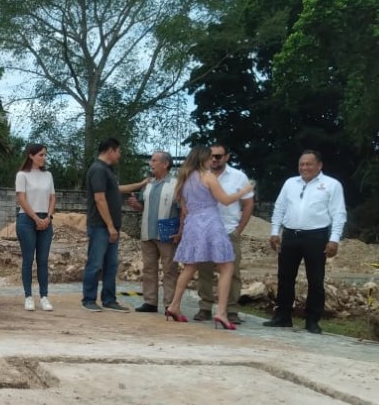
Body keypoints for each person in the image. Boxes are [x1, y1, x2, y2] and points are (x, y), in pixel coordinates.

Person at [164, 146, 254, 330]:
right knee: (227, 266)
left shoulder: (185, 178)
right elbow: (226, 200)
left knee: (190, 266)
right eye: (209, 157)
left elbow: (185, 208)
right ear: (203, 158)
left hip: (192, 224)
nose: (212, 160)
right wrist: (244, 190)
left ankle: (174, 305)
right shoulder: (208, 176)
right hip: (211, 223)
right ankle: (221, 313)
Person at [265, 150, 347, 334]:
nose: (304, 168)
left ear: (319, 165)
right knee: (285, 277)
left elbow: (338, 213)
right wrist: (274, 231)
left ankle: (312, 320)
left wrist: (334, 239)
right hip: (291, 235)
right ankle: (282, 316)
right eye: (301, 164)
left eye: (309, 164)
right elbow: (279, 208)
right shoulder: (290, 183)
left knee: (315, 280)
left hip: (316, 237)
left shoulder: (331, 185)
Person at [81, 138, 149, 313]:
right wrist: (110, 226)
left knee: (111, 264)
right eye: (118, 151)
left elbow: (117, 189)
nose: (119, 155)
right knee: (95, 263)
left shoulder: (107, 171)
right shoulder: (98, 170)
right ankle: (89, 299)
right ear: (110, 150)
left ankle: (109, 299)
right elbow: (99, 198)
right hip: (100, 226)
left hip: (111, 227)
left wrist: (141, 184)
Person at [194, 144, 255, 324]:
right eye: (211, 156)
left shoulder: (238, 177)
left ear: (227, 157)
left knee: (232, 272)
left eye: (218, 156)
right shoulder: (200, 176)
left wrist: (239, 229)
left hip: (227, 230)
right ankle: (205, 306)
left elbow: (248, 203)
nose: (214, 159)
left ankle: (231, 309)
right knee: (204, 270)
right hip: (205, 231)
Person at [127, 151, 180, 314]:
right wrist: (137, 205)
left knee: (169, 269)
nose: (151, 163)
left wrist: (181, 232)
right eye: (151, 160)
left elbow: (183, 210)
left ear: (165, 164)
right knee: (149, 268)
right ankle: (150, 302)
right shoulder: (148, 185)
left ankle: (170, 304)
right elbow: (144, 207)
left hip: (167, 234)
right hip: (147, 232)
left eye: (154, 160)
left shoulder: (176, 185)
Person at [15, 143, 56, 311]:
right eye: (41, 155)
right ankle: (28, 296)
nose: (43, 158)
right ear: (31, 156)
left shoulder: (48, 175)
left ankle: (44, 296)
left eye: (45, 155)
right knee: (28, 259)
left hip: (45, 219)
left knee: (43, 260)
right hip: (27, 219)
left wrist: (48, 217)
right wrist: (35, 218)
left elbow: (53, 198)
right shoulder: (22, 175)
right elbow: (22, 199)